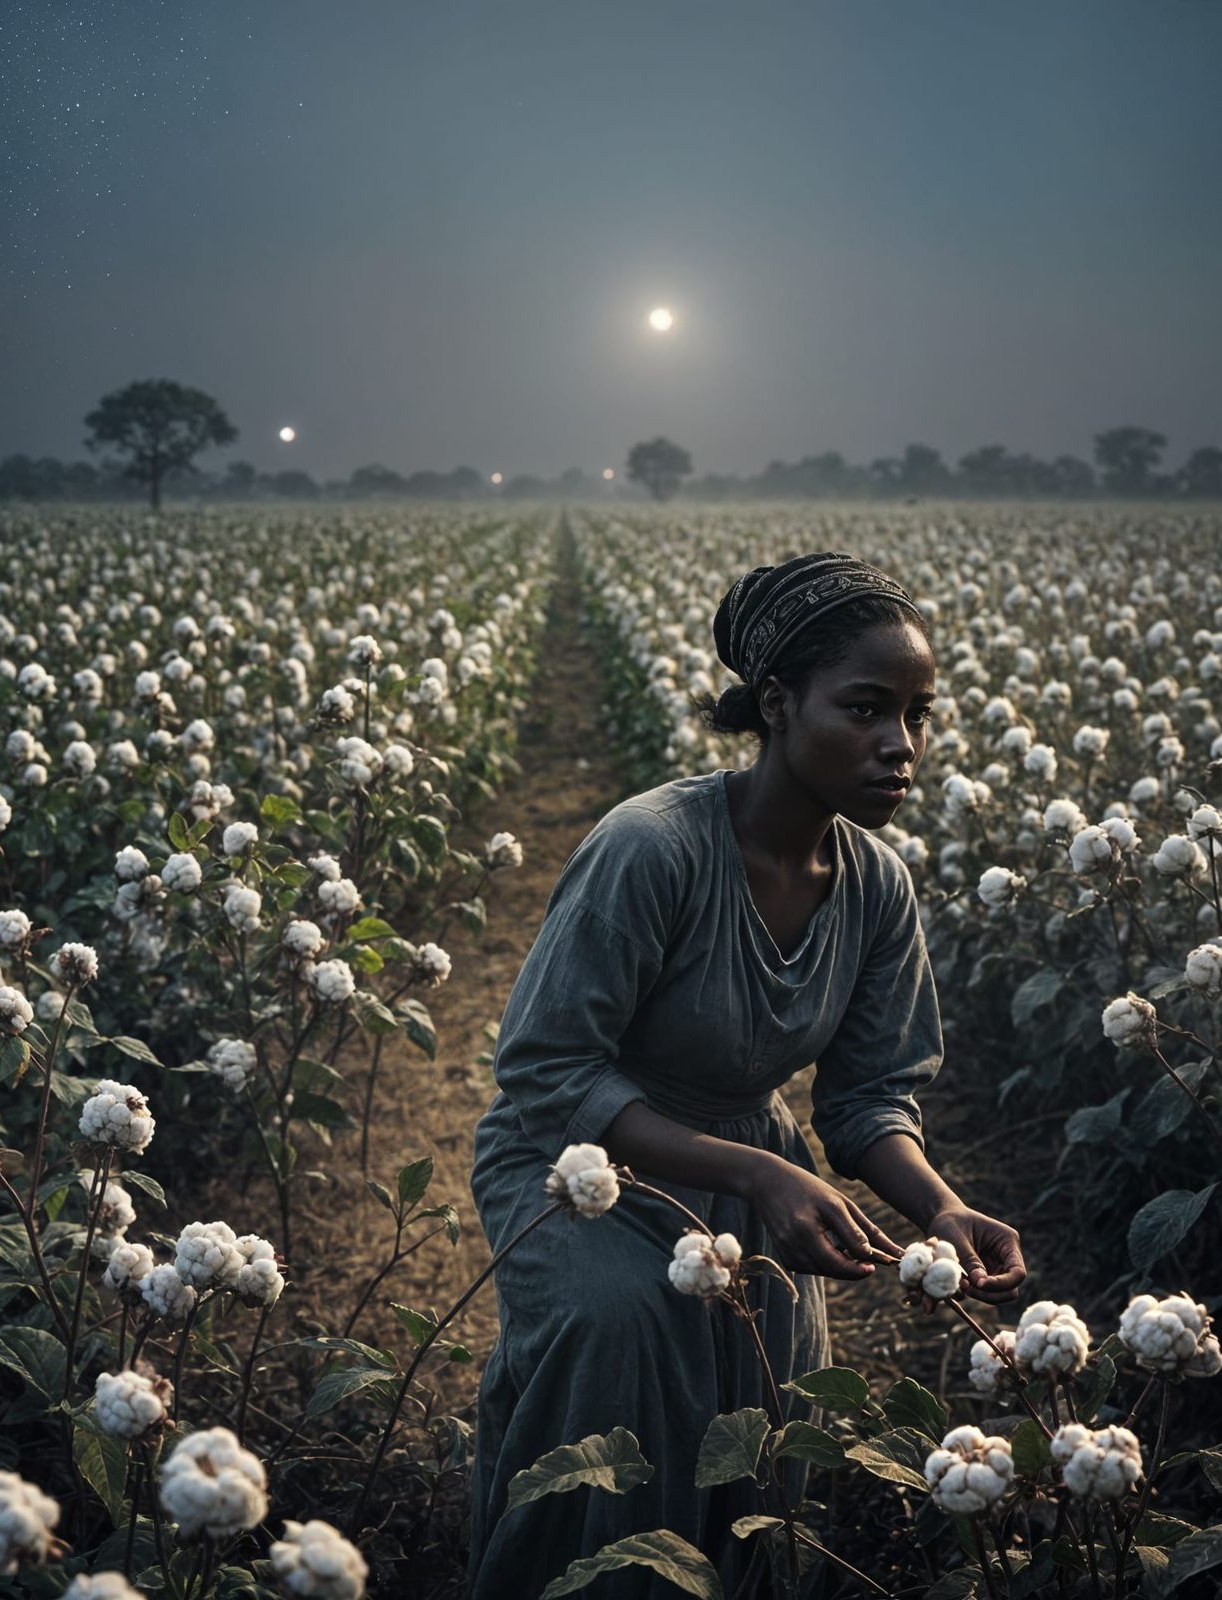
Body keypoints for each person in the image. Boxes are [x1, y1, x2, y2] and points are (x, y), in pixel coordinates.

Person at [467, 552, 1026, 1597]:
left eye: (917, 714)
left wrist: (941, 1208)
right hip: (575, 1161)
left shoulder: (875, 886)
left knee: (766, 1405)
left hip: (740, 1159)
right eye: (864, 709)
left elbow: (865, 1101)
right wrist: (758, 1174)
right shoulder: (651, 849)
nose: (899, 746)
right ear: (776, 702)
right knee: (619, 1329)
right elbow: (544, 1069)